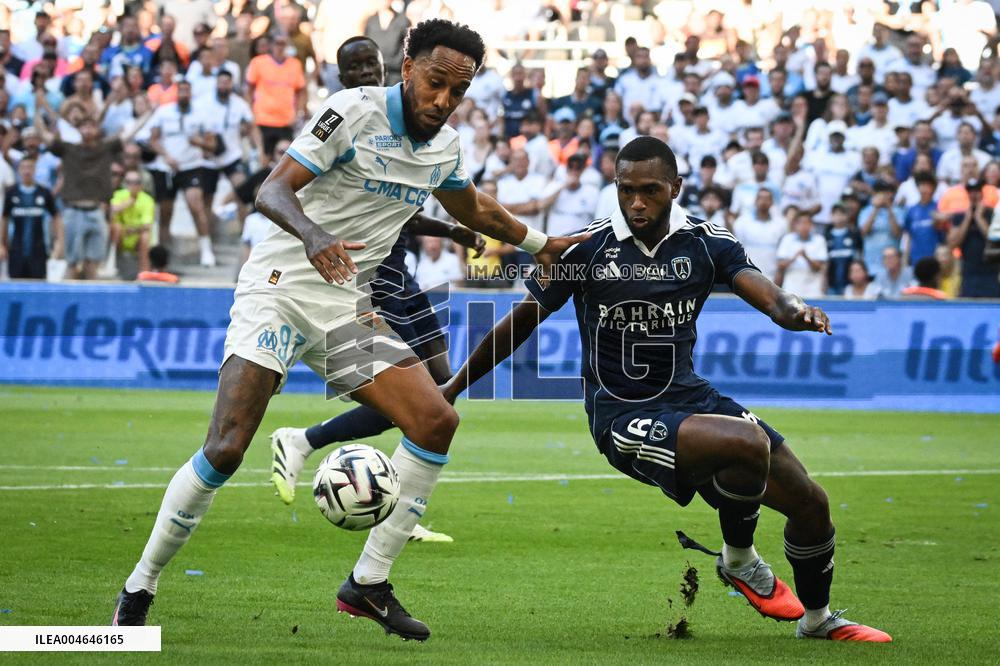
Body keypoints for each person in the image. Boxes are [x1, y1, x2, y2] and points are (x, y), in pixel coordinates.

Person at [110, 20, 586, 639]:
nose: (442, 102)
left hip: (343, 306)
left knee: (436, 419)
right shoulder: (350, 113)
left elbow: (473, 209)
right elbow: (272, 190)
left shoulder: (445, 148)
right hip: (279, 290)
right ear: (408, 65)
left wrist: (543, 245)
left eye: (457, 93)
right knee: (226, 447)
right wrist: (313, 236)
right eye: (435, 83)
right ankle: (139, 588)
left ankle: (366, 583)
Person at [442, 136, 890, 643]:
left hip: (691, 399)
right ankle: (740, 560)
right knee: (747, 445)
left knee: (812, 503)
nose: (636, 202)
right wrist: (454, 386)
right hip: (621, 415)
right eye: (626, 189)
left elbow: (762, 289)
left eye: (650, 190)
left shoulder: (705, 240)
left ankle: (817, 621)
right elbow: (519, 324)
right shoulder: (583, 249)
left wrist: (795, 312)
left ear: (675, 187)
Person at [267, 36, 485, 545]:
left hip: (401, 272)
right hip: (368, 272)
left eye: (373, 64)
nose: (366, 72)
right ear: (343, 77)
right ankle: (324, 453)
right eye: (356, 67)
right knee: (428, 400)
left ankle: (381, 489)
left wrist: (452, 230)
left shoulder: (411, 128)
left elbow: (407, 201)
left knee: (441, 387)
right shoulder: (350, 119)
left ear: (393, 68)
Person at [1, 157, 61, 279]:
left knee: (38, 287)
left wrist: (59, 242)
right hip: (16, 251)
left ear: (35, 170)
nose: (27, 171)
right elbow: (4, 219)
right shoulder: (12, 193)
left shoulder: (44, 192)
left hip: (39, 251)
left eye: (30, 167)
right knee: (16, 287)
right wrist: (1, 244)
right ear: (18, 170)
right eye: (23, 168)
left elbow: (56, 217)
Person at [948, 178, 1000, 297]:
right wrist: (967, 219)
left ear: (982, 193)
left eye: (977, 191)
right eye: (971, 191)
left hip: (991, 274)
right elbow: (952, 243)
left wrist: (979, 218)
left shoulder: (992, 214)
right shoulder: (960, 217)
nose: (974, 194)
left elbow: (995, 240)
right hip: (968, 274)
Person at [107, 169, 156, 275]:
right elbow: (110, 213)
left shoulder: (147, 200)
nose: (133, 185)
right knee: (115, 227)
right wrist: (127, 203)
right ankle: (110, 264)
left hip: (136, 235)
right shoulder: (119, 195)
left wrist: (133, 230)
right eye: (129, 182)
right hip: (120, 235)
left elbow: (147, 225)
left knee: (145, 236)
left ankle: (144, 272)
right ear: (125, 183)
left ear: (141, 184)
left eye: (136, 182)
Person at [776, 212, 829, 298]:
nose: (804, 226)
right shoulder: (787, 239)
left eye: (806, 223)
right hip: (791, 283)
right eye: (801, 223)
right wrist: (794, 258)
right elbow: (780, 265)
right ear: (795, 225)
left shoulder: (819, 240)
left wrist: (806, 257)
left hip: (813, 285)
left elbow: (819, 267)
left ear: (811, 225)